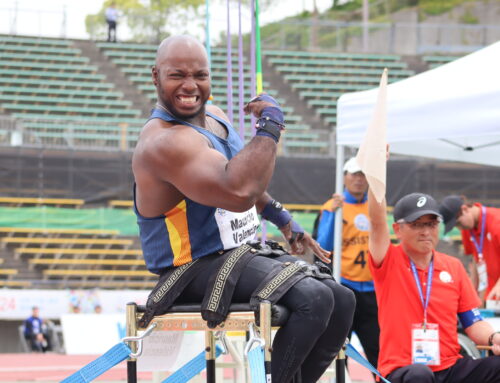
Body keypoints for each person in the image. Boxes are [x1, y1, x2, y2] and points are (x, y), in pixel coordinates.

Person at [132, 35, 356, 382]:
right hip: (191, 266)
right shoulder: (163, 142)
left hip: (237, 254)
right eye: (177, 75)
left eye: (200, 75)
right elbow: (238, 190)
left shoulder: (215, 117)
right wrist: (270, 126)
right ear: (156, 76)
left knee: (341, 299)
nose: (190, 86)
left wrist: (285, 221)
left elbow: (245, 175)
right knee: (314, 299)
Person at [368, 183, 500, 382]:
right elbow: (377, 221)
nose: (425, 231)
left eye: (431, 224)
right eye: (417, 224)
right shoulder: (389, 259)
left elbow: (472, 322)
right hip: (404, 369)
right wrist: (375, 162)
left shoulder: (453, 266)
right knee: (420, 374)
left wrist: (493, 338)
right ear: (398, 229)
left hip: (450, 366)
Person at [316, 157, 380, 374]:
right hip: (345, 287)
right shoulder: (332, 207)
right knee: (340, 348)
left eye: (363, 175)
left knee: (377, 348)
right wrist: (333, 213)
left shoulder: (374, 205)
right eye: (354, 174)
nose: (359, 180)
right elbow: (323, 245)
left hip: (372, 290)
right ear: (344, 176)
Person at [440, 195, 500, 303]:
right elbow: (476, 261)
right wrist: (472, 295)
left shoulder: (497, 221)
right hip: (492, 297)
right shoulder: (467, 229)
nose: (459, 228)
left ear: (465, 209)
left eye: (458, 223)